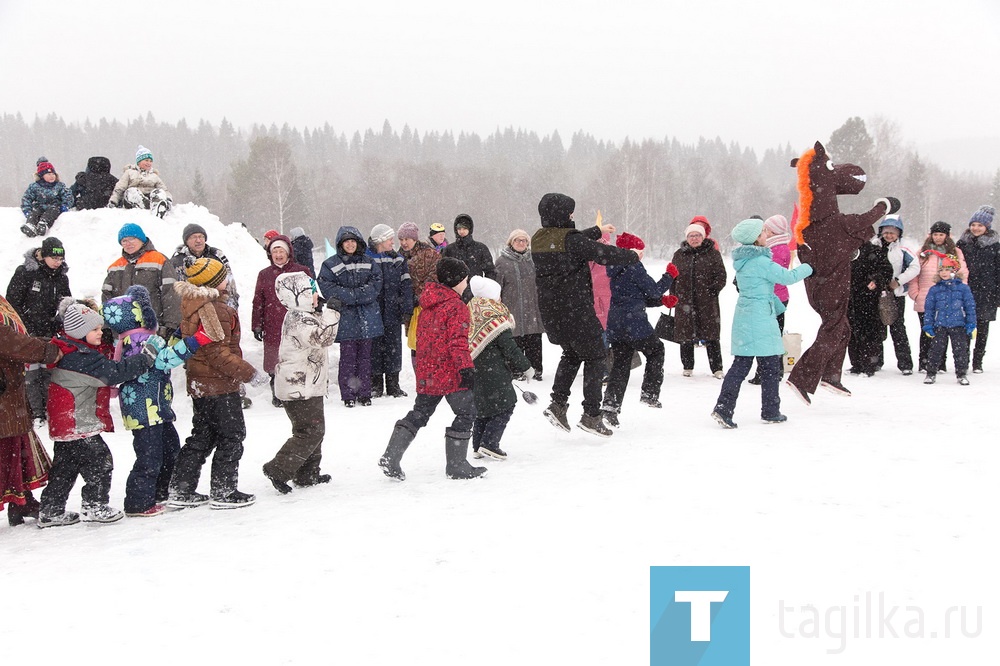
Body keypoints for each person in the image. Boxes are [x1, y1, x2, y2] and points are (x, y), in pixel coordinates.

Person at [39, 298, 158, 527]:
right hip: (77, 422)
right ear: (79, 332)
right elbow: (114, 373)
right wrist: (145, 358)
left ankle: (51, 510)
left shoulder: (71, 349)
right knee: (100, 462)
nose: (100, 333)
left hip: (65, 423)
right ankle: (95, 505)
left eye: (101, 328)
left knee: (65, 468)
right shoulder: (81, 358)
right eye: (94, 329)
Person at [531, 192, 641, 437]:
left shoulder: (539, 238)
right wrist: (632, 256)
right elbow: (602, 254)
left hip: (552, 312)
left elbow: (574, 239)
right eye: (569, 212)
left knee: (571, 353)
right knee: (595, 356)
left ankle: (558, 404)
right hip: (576, 310)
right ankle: (591, 415)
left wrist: (598, 229)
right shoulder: (572, 242)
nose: (572, 216)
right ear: (562, 214)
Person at [103, 285, 218, 517]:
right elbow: (167, 358)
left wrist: (177, 336)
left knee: (168, 448)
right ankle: (138, 502)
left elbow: (164, 350)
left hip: (153, 407)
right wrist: (197, 340)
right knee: (150, 456)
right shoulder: (139, 340)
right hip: (146, 409)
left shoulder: (134, 339)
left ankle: (160, 491)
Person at [169, 259, 269, 509]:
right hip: (218, 385)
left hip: (201, 382)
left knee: (203, 435)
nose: (228, 279)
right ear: (214, 281)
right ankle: (224, 491)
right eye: (223, 276)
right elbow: (217, 352)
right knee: (231, 434)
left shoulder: (193, 304)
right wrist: (249, 373)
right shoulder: (216, 309)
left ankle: (181, 488)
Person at [377, 257, 486, 481]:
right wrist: (466, 368)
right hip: (450, 371)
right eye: (464, 279)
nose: (466, 283)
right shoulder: (456, 306)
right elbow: (457, 342)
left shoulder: (428, 303)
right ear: (456, 281)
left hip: (428, 370)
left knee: (420, 414)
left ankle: (391, 455)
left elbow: (423, 338)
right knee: (467, 413)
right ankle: (456, 465)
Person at [711, 218, 813, 428]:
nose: (767, 235)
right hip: (760, 319)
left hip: (746, 316)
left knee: (744, 365)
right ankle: (768, 410)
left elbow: (759, 288)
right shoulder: (762, 262)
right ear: (756, 239)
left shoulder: (745, 261)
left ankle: (727, 408)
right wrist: (809, 267)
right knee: (768, 367)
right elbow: (788, 277)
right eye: (764, 232)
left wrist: (776, 305)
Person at [262, 272, 341, 494]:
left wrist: (318, 311)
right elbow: (324, 337)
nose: (317, 296)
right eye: (312, 293)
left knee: (313, 429)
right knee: (311, 431)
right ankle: (278, 469)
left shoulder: (303, 316)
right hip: (299, 387)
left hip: (307, 384)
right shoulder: (299, 319)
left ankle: (307, 473)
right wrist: (332, 313)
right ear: (299, 295)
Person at [600, 233, 677, 427]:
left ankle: (610, 408)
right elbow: (653, 290)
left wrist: (662, 301)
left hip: (617, 323)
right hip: (634, 324)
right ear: (632, 252)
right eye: (640, 252)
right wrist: (669, 276)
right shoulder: (633, 266)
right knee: (657, 350)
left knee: (620, 365)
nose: (641, 255)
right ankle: (649, 393)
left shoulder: (615, 267)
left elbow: (635, 296)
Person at [0, 294, 62, 527]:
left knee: (14, 448)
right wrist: (49, 351)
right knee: (7, 450)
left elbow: (17, 338)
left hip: (9, 394)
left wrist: (50, 344)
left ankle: (22, 501)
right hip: (4, 393)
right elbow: (10, 341)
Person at [317, 225, 384, 407]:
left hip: (367, 318)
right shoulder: (331, 264)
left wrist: (357, 295)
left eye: (353, 241)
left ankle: (364, 393)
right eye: (347, 241)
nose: (350, 245)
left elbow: (376, 284)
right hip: (346, 318)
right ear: (341, 244)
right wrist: (351, 296)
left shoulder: (369, 262)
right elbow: (326, 285)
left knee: (365, 358)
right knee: (347, 358)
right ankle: (348, 394)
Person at [6, 237, 72, 421]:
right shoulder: (25, 272)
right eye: (54, 259)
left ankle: (48, 408)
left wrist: (61, 319)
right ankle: (35, 412)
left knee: (48, 372)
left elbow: (66, 301)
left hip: (50, 331)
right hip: (28, 332)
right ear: (43, 255)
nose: (58, 263)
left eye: (61, 260)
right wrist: (23, 324)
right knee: (31, 374)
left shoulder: (61, 276)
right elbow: (12, 301)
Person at [467, 276, 531, 460]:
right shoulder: (494, 318)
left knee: (483, 408)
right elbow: (510, 348)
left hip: (475, 370)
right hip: (494, 371)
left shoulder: (472, 310)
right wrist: (526, 367)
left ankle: (478, 446)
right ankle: (490, 443)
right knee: (506, 404)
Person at [251, 234, 312, 407]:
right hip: (273, 324)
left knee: (297, 357)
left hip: (296, 323)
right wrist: (257, 325)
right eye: (275, 251)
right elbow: (258, 301)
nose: (278, 254)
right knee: (275, 359)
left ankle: (298, 389)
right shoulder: (264, 274)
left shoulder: (302, 271)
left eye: (281, 251)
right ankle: (277, 392)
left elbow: (312, 295)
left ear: (288, 253)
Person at [907, 221, 968, 373]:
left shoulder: (955, 252)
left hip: (947, 299)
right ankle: (924, 362)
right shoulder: (923, 252)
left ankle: (940, 364)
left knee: (943, 332)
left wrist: (959, 292)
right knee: (926, 331)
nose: (938, 237)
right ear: (931, 235)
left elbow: (963, 273)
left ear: (947, 236)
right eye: (935, 234)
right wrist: (915, 294)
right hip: (925, 298)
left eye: (941, 234)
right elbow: (914, 274)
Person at [668, 222, 727, 378]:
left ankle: (717, 368)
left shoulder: (712, 254)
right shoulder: (679, 254)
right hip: (684, 301)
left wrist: (712, 291)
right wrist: (673, 295)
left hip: (707, 302)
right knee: (685, 336)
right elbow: (672, 276)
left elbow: (721, 275)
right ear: (687, 238)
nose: (694, 238)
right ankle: (687, 366)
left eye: (697, 235)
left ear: (703, 237)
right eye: (691, 236)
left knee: (711, 335)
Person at [103, 222, 180, 339]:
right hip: (123, 332)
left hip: (154, 329)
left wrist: (171, 324)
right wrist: (107, 327)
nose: (128, 244)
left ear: (141, 239)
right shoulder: (115, 267)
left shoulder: (159, 260)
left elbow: (171, 294)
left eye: (132, 239)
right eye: (124, 241)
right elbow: (107, 299)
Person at [367, 223, 413, 398]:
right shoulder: (367, 259)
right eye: (390, 239)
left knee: (394, 347)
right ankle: (376, 384)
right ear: (380, 240)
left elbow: (406, 285)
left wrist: (406, 307)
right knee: (375, 348)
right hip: (374, 311)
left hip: (393, 311)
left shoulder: (398, 260)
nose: (394, 242)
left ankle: (394, 384)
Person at [748, 214, 793, 384]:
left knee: (766, 337)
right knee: (773, 336)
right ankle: (774, 370)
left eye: (766, 230)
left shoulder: (776, 250)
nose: (764, 233)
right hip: (777, 297)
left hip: (773, 298)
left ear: (773, 232)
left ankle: (767, 372)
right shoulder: (777, 247)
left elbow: (771, 274)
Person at [495, 229, 545, 381]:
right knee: (514, 341)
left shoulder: (533, 260)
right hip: (512, 307)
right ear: (511, 242)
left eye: (524, 241)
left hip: (532, 307)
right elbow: (497, 286)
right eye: (518, 240)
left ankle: (536, 369)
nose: (521, 243)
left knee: (534, 339)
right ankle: (517, 370)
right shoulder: (502, 262)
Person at [873, 216, 920, 375]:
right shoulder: (874, 245)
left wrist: (898, 281)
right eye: (886, 231)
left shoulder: (903, 248)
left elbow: (915, 267)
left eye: (893, 232)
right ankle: (875, 361)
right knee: (876, 328)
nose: (889, 235)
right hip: (876, 293)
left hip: (895, 294)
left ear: (899, 233)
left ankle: (905, 363)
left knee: (897, 328)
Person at [956, 205, 1000, 373]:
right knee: (965, 326)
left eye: (980, 225)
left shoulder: (995, 245)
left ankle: (978, 362)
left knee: (982, 328)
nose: (975, 228)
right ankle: (964, 360)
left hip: (987, 292)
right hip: (966, 291)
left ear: (986, 227)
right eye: (973, 224)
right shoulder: (962, 243)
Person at [922, 255, 976, 385]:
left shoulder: (963, 288)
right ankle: (931, 373)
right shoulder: (934, 289)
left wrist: (971, 324)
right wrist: (928, 325)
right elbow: (929, 309)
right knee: (935, 350)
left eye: (947, 269)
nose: (944, 273)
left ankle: (961, 374)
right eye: (941, 270)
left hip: (958, 325)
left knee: (961, 351)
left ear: (955, 271)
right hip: (940, 325)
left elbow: (970, 307)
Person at [846, 234, 894, 376]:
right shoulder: (845, 250)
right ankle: (856, 364)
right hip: (849, 298)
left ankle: (869, 365)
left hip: (869, 299)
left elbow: (886, 270)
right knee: (852, 333)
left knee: (869, 334)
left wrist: (876, 280)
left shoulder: (875, 251)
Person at [170, 223, 240, 308]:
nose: (198, 240)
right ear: (186, 241)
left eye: (201, 236)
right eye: (194, 237)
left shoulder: (217, 256)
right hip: (190, 309)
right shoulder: (177, 262)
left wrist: (231, 307)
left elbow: (229, 283)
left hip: (219, 306)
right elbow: (175, 291)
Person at [397, 221, 440, 358]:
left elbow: (434, 276)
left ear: (414, 239)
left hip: (427, 306)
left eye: (407, 239)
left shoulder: (429, 254)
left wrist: (420, 295)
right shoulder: (398, 257)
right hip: (409, 308)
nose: (404, 243)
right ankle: (419, 376)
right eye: (401, 239)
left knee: (429, 342)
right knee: (414, 343)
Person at [441, 213, 497, 299]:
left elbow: (490, 272)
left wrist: (484, 290)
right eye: (459, 228)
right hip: (454, 295)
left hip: (476, 294)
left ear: (470, 229)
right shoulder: (450, 249)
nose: (462, 231)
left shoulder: (480, 248)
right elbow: (443, 273)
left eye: (465, 228)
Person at [108, 145, 173, 217]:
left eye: (151, 161)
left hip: (149, 197)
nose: (149, 163)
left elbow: (164, 189)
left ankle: (158, 207)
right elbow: (119, 188)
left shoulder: (154, 175)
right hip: (133, 199)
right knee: (132, 191)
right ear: (138, 162)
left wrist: (168, 199)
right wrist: (113, 202)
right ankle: (147, 205)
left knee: (158, 192)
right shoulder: (129, 172)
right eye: (146, 160)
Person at [20, 160, 73, 238]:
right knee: (35, 213)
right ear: (41, 176)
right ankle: (30, 225)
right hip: (40, 206)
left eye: (53, 174)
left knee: (51, 212)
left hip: (54, 206)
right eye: (48, 174)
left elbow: (68, 196)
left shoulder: (59, 186)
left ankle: (43, 224)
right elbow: (27, 198)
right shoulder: (35, 186)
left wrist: (65, 205)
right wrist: (27, 210)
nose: (51, 176)